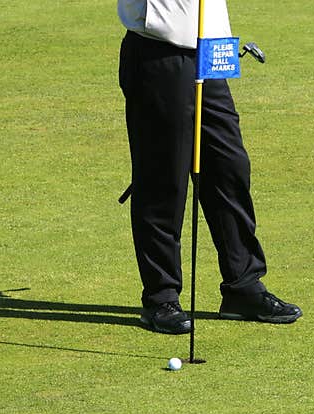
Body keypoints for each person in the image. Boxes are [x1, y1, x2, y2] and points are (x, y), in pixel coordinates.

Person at [117, 0, 302, 334]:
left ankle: (242, 286)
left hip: (212, 49)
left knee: (229, 169)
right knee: (164, 179)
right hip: (160, 48)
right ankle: (161, 297)